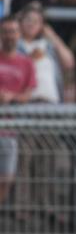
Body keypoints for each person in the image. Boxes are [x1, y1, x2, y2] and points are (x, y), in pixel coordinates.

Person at [0, 17, 36, 206]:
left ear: (19, 34)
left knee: (6, 179)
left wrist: (12, 97)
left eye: (13, 31)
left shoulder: (26, 63)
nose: (9, 36)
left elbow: (28, 95)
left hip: (10, 130)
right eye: (6, 31)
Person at [18, 4, 75, 104]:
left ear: (42, 25)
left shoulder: (48, 45)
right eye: (28, 20)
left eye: (36, 21)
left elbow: (69, 63)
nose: (31, 24)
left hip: (50, 100)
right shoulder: (14, 45)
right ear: (20, 23)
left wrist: (52, 36)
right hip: (23, 101)